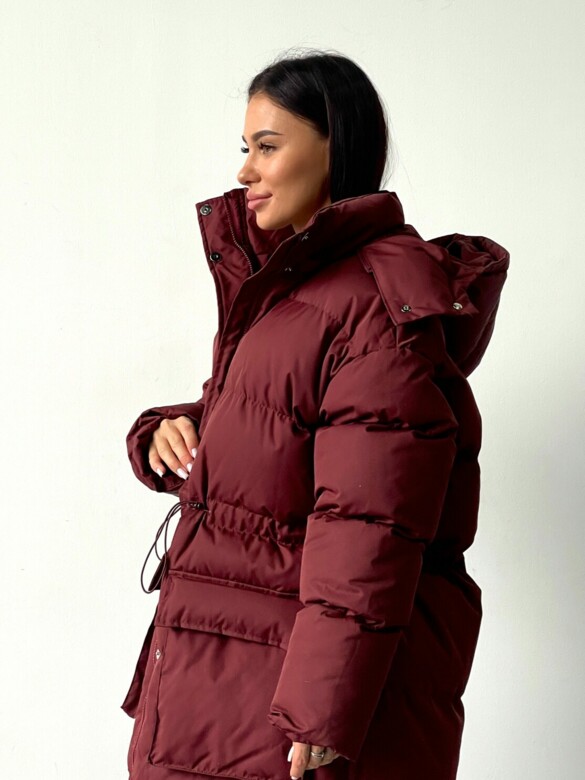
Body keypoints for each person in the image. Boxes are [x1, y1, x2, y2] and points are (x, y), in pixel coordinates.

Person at [121, 49, 510, 780]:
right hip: (225, 674)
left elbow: (368, 519)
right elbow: (274, 421)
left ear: (337, 147)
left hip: (285, 704)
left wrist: (324, 706)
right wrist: (168, 430)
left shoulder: (371, 307)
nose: (245, 171)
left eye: (268, 147)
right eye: (245, 148)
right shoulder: (295, 292)